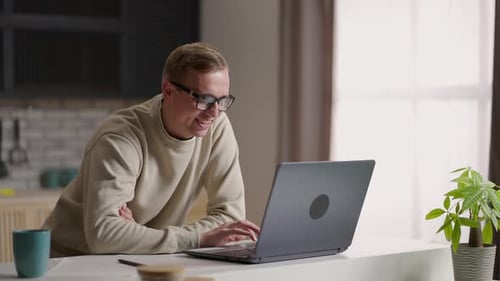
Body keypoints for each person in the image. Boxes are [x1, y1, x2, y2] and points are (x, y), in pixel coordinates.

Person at [43, 42, 260, 257]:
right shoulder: (120, 137)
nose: (214, 113)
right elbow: (105, 235)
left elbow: (232, 220)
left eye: (222, 101)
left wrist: (138, 235)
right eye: (204, 99)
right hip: (69, 262)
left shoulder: (217, 126)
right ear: (168, 90)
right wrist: (196, 239)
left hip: (137, 258)